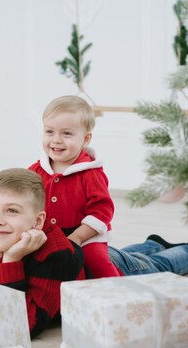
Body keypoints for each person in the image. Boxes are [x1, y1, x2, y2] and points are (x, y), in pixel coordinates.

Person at [0, 168, 86, 338]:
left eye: (12, 211)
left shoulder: (57, 255)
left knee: (137, 259)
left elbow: (24, 326)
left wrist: (10, 261)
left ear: (38, 221)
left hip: (121, 267)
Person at [29, 95, 121, 278]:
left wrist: (78, 238)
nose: (56, 140)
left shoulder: (90, 173)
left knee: (96, 262)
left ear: (85, 139)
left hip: (85, 236)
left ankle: (117, 288)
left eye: (67, 133)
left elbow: (102, 212)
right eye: (49, 132)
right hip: (48, 234)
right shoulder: (36, 170)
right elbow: (23, 199)